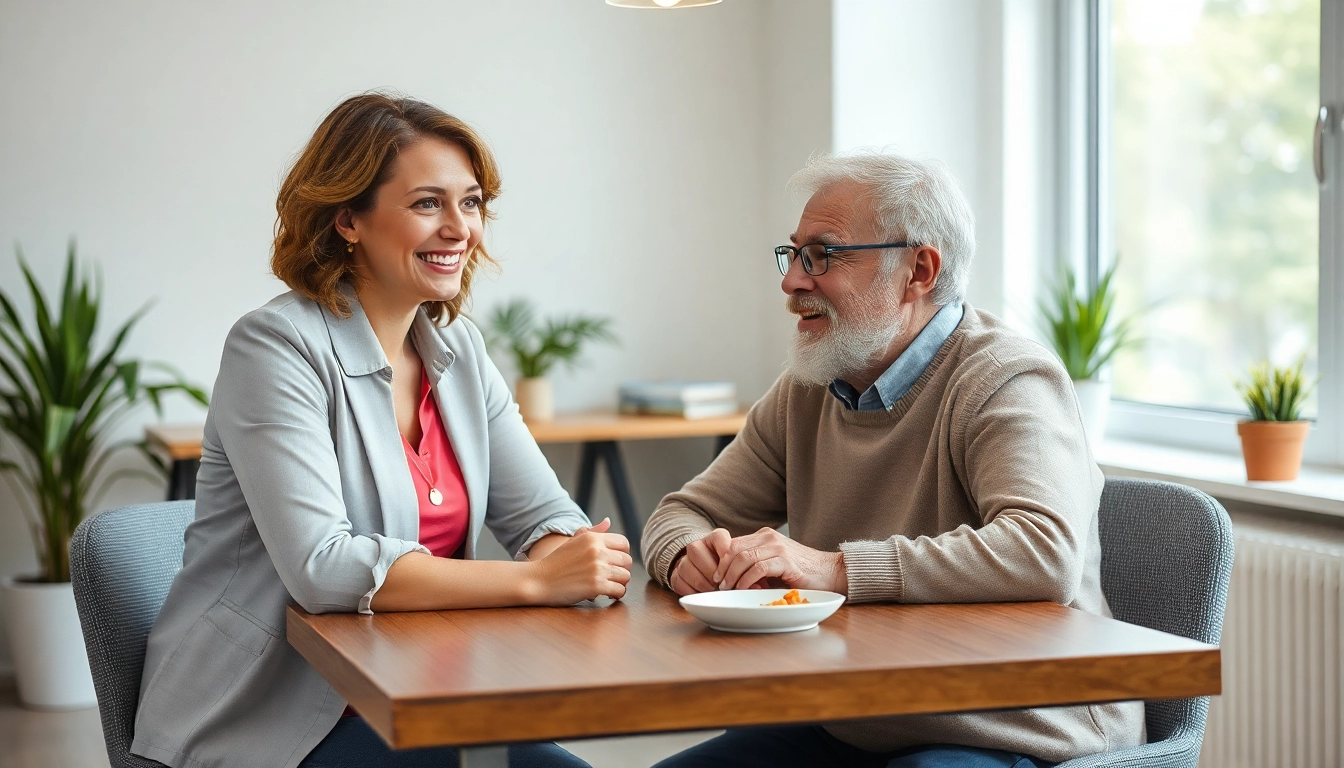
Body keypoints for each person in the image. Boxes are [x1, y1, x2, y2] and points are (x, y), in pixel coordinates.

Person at [132, 93, 630, 768]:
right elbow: (322, 568)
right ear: (348, 220)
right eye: (428, 203)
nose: (460, 229)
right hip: (273, 714)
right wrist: (537, 583)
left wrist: (569, 554)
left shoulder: (461, 353)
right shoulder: (274, 347)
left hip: (424, 689)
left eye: (472, 202)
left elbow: (543, 516)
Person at [643, 152, 1145, 768]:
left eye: (823, 255)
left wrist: (834, 569)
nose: (792, 281)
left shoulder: (1007, 377)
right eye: (794, 254)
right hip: (858, 720)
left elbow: (1045, 552)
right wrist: (688, 559)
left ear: (919, 270)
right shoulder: (809, 386)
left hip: (1017, 728)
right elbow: (683, 512)